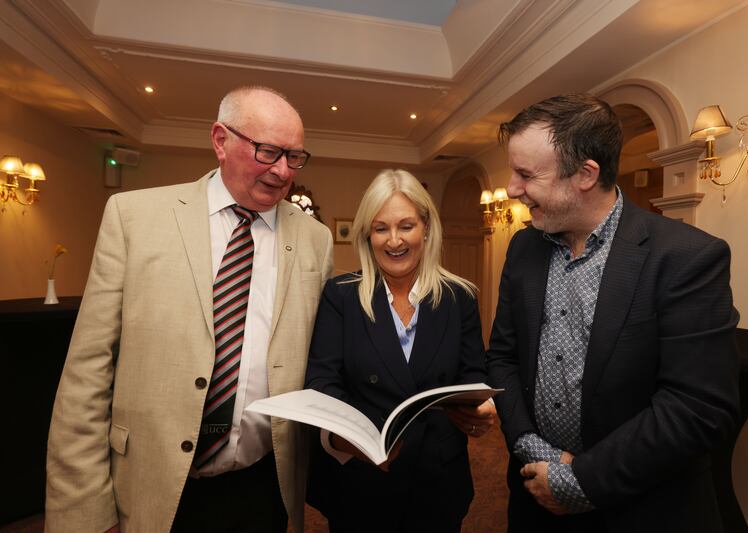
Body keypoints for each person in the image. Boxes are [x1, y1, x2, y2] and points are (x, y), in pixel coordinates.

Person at [45, 86, 333, 533]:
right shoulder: (134, 217)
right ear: (221, 140)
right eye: (268, 151)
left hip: (263, 486)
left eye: (295, 157)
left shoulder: (316, 239)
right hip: (151, 490)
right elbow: (87, 374)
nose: (282, 171)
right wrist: (85, 513)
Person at [486, 94, 739, 533]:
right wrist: (533, 450)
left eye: (526, 174)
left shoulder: (686, 257)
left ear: (585, 174)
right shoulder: (524, 247)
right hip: (534, 496)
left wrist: (582, 479)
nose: (511, 188)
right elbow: (504, 359)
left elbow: (696, 408)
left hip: (641, 508)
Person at [304, 169, 496, 532]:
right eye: (381, 228)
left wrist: (481, 408)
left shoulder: (460, 298)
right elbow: (322, 383)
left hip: (438, 477)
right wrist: (351, 442)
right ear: (367, 235)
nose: (394, 240)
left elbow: (474, 372)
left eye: (406, 226)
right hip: (362, 479)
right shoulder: (340, 295)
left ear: (426, 227)